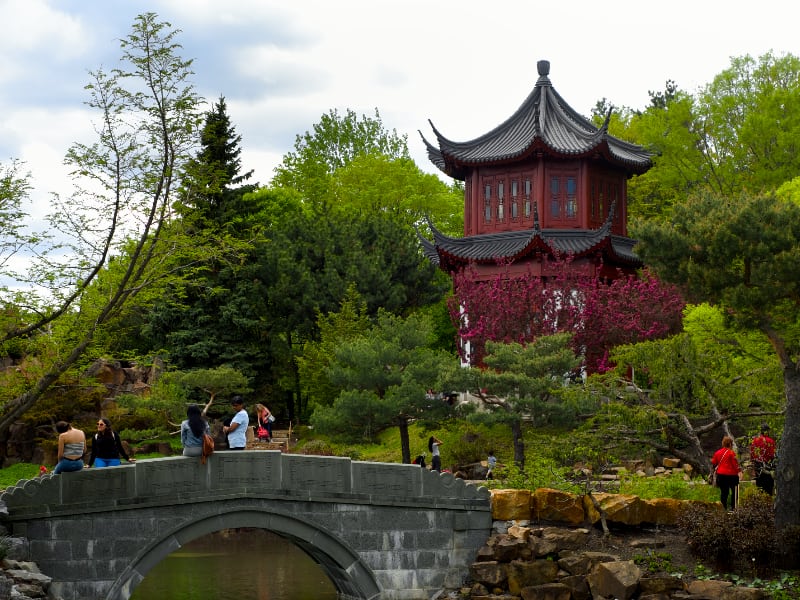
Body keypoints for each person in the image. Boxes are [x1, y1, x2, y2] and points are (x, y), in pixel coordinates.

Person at [711, 435, 741, 511]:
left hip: (721, 476)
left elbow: (714, 463)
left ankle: (723, 509)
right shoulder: (731, 453)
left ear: (723, 444)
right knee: (735, 493)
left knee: (724, 493)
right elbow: (735, 465)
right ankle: (734, 509)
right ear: (730, 444)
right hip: (732, 476)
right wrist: (740, 472)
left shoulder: (717, 452)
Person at [750, 423, 776, 495]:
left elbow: (752, 456)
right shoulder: (771, 441)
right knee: (769, 490)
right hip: (768, 469)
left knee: (760, 490)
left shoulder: (755, 441)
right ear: (767, 431)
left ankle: (761, 505)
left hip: (758, 469)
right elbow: (772, 455)